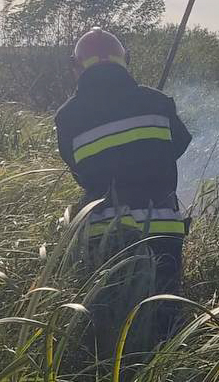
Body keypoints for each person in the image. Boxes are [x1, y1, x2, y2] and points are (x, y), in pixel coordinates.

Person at [54, 28, 192, 346]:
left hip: (106, 232)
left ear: (77, 67)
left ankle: (112, 376)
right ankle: (172, 377)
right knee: (166, 314)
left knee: (111, 317)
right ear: (125, 62)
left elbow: (78, 169)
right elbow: (180, 143)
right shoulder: (157, 102)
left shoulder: (68, 117)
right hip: (164, 228)